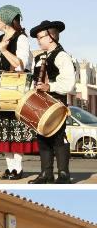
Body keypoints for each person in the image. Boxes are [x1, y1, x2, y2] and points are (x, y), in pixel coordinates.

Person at [0, 5, 36, 180]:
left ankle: (18, 169)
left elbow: (21, 65)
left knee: (15, 129)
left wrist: (4, 51)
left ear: (5, 20)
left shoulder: (21, 39)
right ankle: (9, 168)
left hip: (15, 89)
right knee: (3, 129)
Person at [27, 20, 76, 184]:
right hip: (40, 105)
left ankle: (63, 174)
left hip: (56, 104)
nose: (38, 40)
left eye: (40, 37)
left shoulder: (62, 56)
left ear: (51, 37)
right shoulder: (40, 57)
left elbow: (69, 83)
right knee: (42, 138)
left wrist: (49, 86)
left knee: (58, 138)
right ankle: (46, 174)